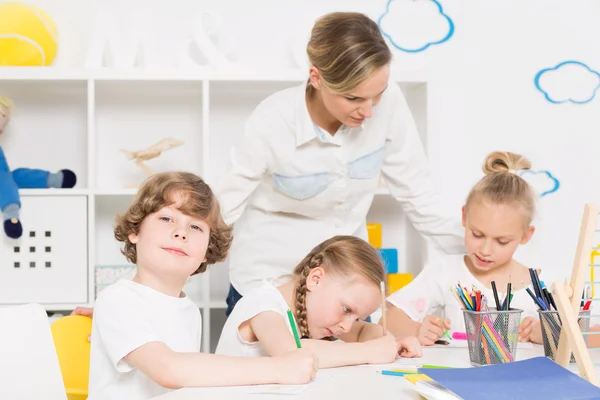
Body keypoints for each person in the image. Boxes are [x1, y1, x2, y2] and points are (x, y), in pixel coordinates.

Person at [215, 11, 464, 316]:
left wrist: (478, 249)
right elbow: (224, 205)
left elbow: (418, 192)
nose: (369, 111)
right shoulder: (271, 121)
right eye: (354, 98)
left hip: (349, 287)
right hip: (269, 283)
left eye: (378, 95)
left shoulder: (389, 104)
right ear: (316, 77)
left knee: (360, 362)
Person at [87, 172, 317, 400]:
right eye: (166, 219)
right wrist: (278, 368)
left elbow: (186, 381)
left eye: (196, 227)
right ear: (134, 231)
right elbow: (168, 369)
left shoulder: (189, 310)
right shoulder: (117, 300)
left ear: (207, 251)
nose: (181, 233)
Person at [384, 152, 544, 346]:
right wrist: (417, 330)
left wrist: (546, 334)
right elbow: (388, 318)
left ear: (526, 235)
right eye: (477, 234)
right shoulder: (446, 271)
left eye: (501, 241)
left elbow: (578, 339)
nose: (485, 249)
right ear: (464, 216)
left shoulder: (541, 286)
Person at [215, 235, 421, 367]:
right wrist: (369, 351)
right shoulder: (262, 307)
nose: (346, 325)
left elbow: (360, 332)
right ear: (316, 279)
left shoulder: (322, 315)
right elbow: (292, 354)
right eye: (347, 309)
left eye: (356, 317)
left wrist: (393, 343)